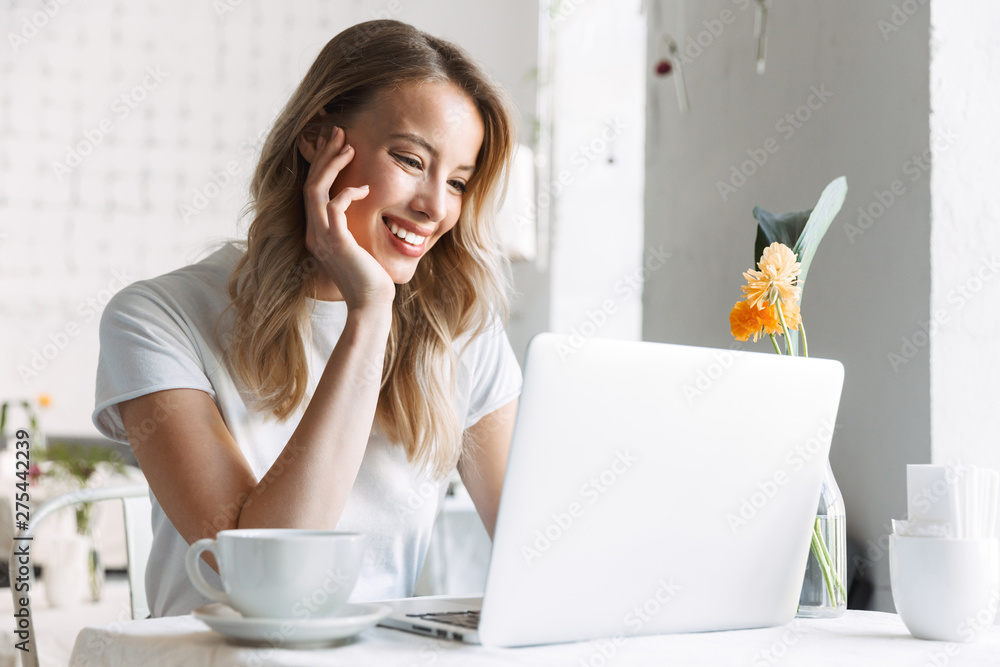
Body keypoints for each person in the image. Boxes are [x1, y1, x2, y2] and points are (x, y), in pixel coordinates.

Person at [92, 19, 523, 617]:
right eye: (408, 159)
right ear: (317, 137)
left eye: (456, 182)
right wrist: (369, 315)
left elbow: (540, 553)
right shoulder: (156, 319)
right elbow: (268, 588)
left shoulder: (462, 331)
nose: (433, 207)